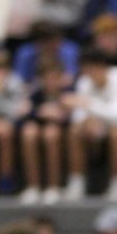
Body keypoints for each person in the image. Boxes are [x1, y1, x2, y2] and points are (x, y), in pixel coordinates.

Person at [62, 48, 117, 201]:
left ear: (102, 67)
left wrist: (88, 105)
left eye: (91, 70)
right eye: (85, 71)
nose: (89, 75)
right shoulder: (84, 81)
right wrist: (87, 121)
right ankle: (76, 181)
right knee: (74, 130)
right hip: (97, 125)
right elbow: (79, 115)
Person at [17, 58, 74, 205]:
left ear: (62, 77)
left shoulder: (69, 93)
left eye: (55, 77)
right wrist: (39, 112)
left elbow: (75, 117)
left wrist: (62, 114)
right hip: (38, 131)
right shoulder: (35, 95)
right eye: (47, 78)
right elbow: (22, 116)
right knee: (29, 132)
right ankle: (33, 186)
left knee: (51, 134)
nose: (51, 82)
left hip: (64, 134)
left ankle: (54, 187)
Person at [0, 51, 29, 193]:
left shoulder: (15, 81)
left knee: (5, 132)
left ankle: (5, 178)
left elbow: (21, 109)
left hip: (10, 122)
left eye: (1, 68)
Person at [13, 20, 79, 86]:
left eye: (57, 41)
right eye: (50, 43)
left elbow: (70, 78)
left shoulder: (69, 50)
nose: (56, 45)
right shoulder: (26, 53)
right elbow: (19, 79)